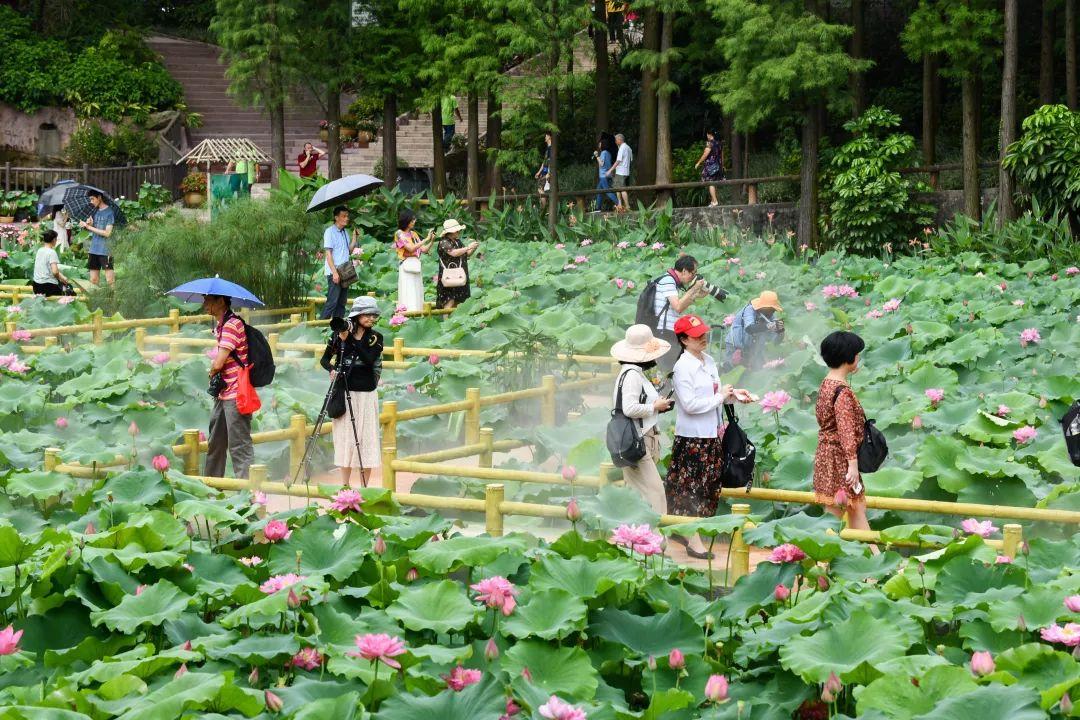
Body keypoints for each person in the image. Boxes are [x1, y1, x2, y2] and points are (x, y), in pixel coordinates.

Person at [666, 314, 754, 557]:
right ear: (683, 340)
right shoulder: (682, 367)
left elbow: (715, 393)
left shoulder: (708, 360)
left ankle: (688, 531)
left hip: (711, 434)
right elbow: (691, 405)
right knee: (691, 488)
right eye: (697, 336)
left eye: (703, 333)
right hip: (692, 438)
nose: (703, 338)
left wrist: (733, 395)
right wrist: (719, 396)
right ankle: (692, 539)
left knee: (708, 487)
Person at [814, 331, 876, 543]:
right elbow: (846, 429)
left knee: (855, 509)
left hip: (825, 455)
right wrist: (853, 465)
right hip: (840, 459)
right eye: (857, 354)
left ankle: (874, 563)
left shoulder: (825, 384)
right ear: (849, 358)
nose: (858, 358)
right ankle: (819, 562)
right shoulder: (842, 391)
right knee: (834, 517)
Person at [321, 296, 384, 488]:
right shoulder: (338, 335)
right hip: (343, 392)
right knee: (345, 440)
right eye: (368, 314)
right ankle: (345, 486)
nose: (372, 318)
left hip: (365, 394)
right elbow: (324, 359)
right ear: (357, 316)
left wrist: (350, 340)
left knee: (366, 441)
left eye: (374, 315)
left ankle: (365, 487)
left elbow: (368, 359)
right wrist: (331, 370)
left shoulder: (375, 338)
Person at [610, 324, 673, 514]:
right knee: (655, 492)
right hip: (637, 440)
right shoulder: (632, 376)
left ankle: (636, 539)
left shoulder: (634, 373)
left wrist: (657, 408)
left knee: (637, 493)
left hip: (640, 436)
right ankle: (656, 539)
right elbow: (629, 408)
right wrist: (655, 406)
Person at [203, 294, 253, 479]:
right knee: (215, 443)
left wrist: (211, 373)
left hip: (236, 394)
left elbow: (219, 363)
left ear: (221, 302)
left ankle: (249, 496)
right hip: (224, 394)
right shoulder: (221, 325)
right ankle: (212, 489)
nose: (204, 304)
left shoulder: (232, 324)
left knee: (239, 446)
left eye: (208, 300)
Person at [650, 254, 707, 374]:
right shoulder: (668, 281)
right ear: (685, 271)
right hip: (663, 332)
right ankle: (667, 392)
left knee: (673, 367)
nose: (693, 277)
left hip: (667, 331)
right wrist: (693, 289)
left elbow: (678, 308)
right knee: (670, 368)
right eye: (693, 273)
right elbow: (678, 306)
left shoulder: (671, 281)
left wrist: (695, 295)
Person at [725, 290, 785, 370]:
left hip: (753, 348)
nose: (773, 312)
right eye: (771, 309)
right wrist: (768, 325)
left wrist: (780, 331)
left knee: (755, 372)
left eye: (774, 309)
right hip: (735, 345)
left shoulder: (770, 315)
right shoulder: (749, 310)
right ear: (764, 307)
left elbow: (775, 342)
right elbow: (750, 328)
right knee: (732, 370)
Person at [321, 205, 359, 320]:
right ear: (336, 217)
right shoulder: (330, 232)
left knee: (341, 303)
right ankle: (319, 326)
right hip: (335, 272)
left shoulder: (344, 232)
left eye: (347, 216)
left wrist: (354, 237)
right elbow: (328, 254)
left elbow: (349, 250)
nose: (347, 218)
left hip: (345, 271)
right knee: (332, 302)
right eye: (344, 216)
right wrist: (334, 273)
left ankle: (337, 330)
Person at [394, 210, 435, 312]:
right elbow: (411, 248)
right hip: (406, 265)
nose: (414, 222)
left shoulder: (414, 234)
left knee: (417, 290)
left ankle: (418, 312)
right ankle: (408, 313)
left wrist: (432, 240)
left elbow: (424, 250)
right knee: (408, 291)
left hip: (415, 265)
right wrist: (426, 239)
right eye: (412, 220)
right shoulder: (399, 233)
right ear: (406, 221)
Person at [435, 218, 478, 310]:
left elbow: (466, 254)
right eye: (457, 230)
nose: (459, 231)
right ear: (451, 232)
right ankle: (446, 322)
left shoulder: (458, 241)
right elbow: (453, 252)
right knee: (449, 300)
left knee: (460, 300)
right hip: (449, 275)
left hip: (460, 274)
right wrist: (468, 247)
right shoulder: (444, 242)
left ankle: (455, 321)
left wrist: (473, 247)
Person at [79, 190, 115, 286]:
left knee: (110, 281)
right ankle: (94, 300)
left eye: (92, 199)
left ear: (99, 197)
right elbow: (95, 230)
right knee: (93, 280)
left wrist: (89, 227)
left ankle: (114, 300)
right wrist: (89, 225)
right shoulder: (95, 212)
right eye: (90, 199)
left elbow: (108, 233)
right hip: (94, 249)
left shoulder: (109, 212)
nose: (91, 201)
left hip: (106, 250)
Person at [32, 230, 70, 296]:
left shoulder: (40, 250)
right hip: (48, 287)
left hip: (36, 286)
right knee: (68, 293)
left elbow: (49, 269)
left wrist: (62, 277)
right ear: (54, 240)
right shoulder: (52, 252)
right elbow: (55, 271)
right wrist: (60, 279)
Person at [693, 129, 724, 207]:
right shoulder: (719, 144)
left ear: (710, 135)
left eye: (707, 135)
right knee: (714, 183)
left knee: (710, 183)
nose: (707, 136)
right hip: (718, 165)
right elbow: (722, 156)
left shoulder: (710, 144)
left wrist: (698, 162)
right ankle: (713, 200)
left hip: (711, 166)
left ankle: (715, 201)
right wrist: (722, 165)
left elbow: (705, 154)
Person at [593, 133, 619, 212]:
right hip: (607, 175)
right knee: (599, 190)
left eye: (600, 143)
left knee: (607, 191)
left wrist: (597, 156)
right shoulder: (608, 153)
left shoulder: (604, 153)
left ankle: (619, 205)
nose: (599, 145)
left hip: (604, 176)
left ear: (603, 144)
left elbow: (601, 164)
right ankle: (598, 208)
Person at [608, 133, 632, 210]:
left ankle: (627, 206)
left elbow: (618, 160)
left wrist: (610, 170)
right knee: (618, 188)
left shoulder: (622, 148)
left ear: (619, 140)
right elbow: (631, 159)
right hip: (625, 171)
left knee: (622, 189)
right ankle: (620, 205)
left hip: (621, 172)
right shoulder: (628, 148)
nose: (615, 141)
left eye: (616, 140)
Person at [534, 132, 553, 205]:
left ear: (549, 137)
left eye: (546, 136)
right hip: (544, 172)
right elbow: (544, 161)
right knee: (541, 189)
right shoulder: (548, 148)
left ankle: (545, 209)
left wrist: (549, 172)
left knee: (541, 189)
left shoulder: (551, 148)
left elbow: (551, 161)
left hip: (547, 172)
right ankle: (545, 208)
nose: (545, 138)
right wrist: (538, 172)